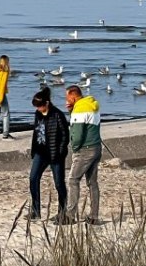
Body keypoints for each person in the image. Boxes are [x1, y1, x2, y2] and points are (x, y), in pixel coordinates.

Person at [29, 87, 69, 221]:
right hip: (40, 152)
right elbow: (36, 132)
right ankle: (35, 211)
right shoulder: (37, 115)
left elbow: (65, 135)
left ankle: (62, 212)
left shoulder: (57, 115)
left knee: (59, 183)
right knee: (33, 178)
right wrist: (33, 150)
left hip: (55, 154)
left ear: (46, 103)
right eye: (36, 106)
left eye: (39, 106)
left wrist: (61, 152)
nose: (38, 109)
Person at [64, 84, 103, 225]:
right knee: (92, 182)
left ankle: (70, 215)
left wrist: (74, 147)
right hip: (96, 147)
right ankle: (94, 216)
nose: (66, 101)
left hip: (84, 149)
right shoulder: (92, 105)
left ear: (73, 96)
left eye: (67, 97)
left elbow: (78, 133)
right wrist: (71, 111)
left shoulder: (80, 109)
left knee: (73, 180)